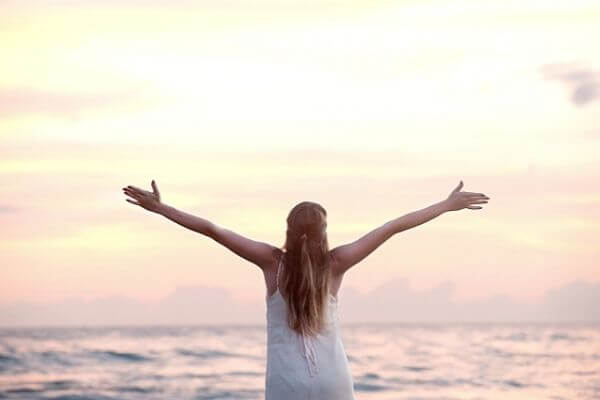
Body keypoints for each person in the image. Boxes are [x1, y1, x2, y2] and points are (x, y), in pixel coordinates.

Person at [122, 179, 489, 399]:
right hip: (333, 379)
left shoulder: (271, 263)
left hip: (287, 384)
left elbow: (213, 230)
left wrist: (161, 208)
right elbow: (393, 226)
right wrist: (446, 205)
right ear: (324, 231)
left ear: (288, 227)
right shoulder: (338, 262)